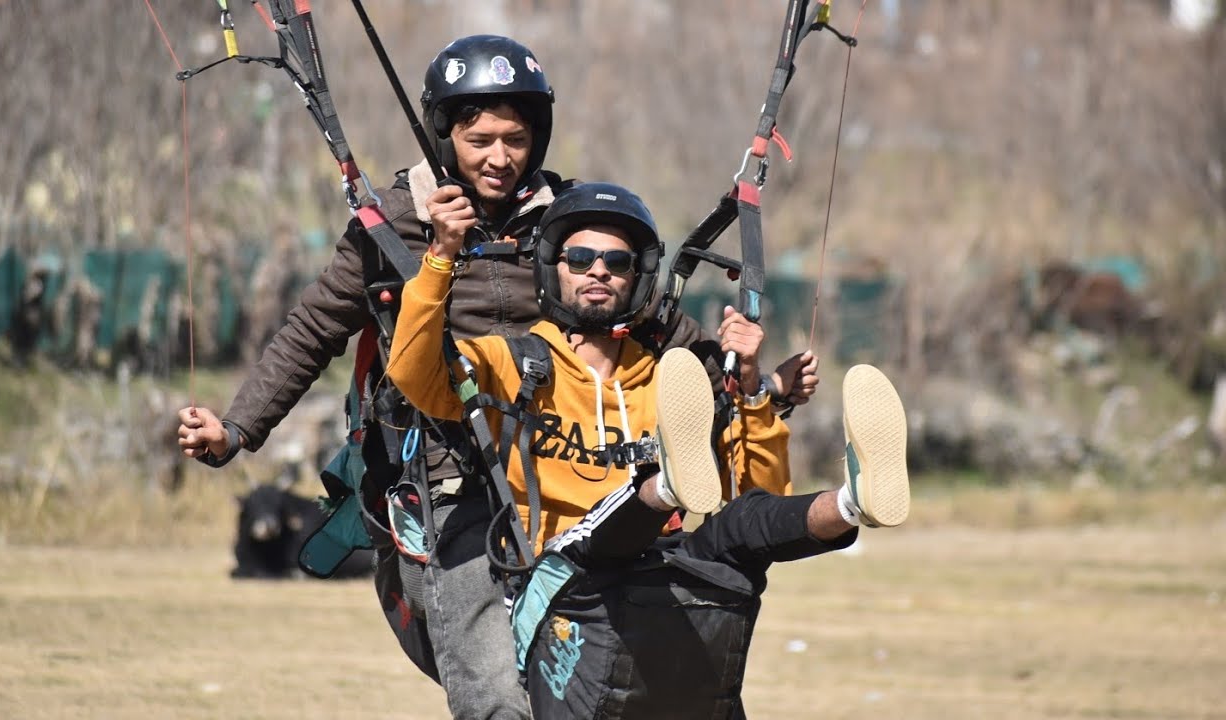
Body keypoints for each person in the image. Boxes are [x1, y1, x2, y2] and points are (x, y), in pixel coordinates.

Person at [177, 35, 772, 719]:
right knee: (494, 693)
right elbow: (312, 331)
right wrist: (237, 428)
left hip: (564, 463)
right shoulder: (394, 223)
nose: (498, 157)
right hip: (446, 480)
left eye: (515, 139)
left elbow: (653, 325)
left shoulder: (568, 218)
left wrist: (739, 370)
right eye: (479, 137)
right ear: (445, 134)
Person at [386, 182, 910, 719]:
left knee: (737, 530)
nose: (599, 271)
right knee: (615, 528)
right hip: (561, 579)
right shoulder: (506, 361)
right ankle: (663, 488)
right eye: (582, 257)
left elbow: (761, 496)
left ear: (637, 277)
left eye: (617, 261)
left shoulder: (668, 380)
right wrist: (441, 257)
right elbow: (412, 373)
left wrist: (751, 388)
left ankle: (854, 500)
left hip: (657, 573)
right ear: (553, 268)